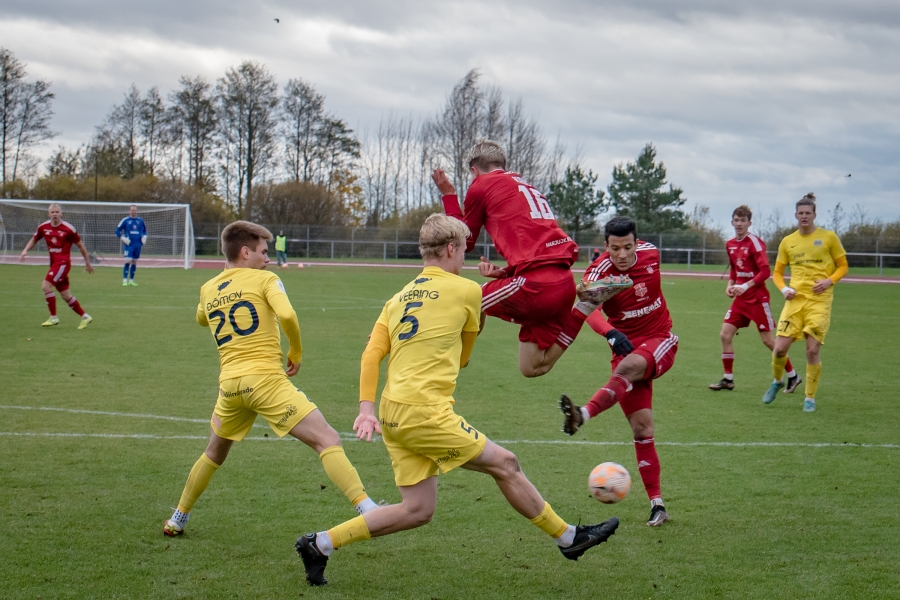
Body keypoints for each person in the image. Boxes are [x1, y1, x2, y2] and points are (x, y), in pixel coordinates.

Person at [294, 214, 619, 586]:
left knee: (417, 510)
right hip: (423, 411)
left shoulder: (396, 299)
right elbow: (464, 359)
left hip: (391, 411)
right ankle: (568, 538)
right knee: (506, 464)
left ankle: (319, 544)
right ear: (451, 249)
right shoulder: (467, 291)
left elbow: (370, 355)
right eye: (464, 249)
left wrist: (366, 410)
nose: (465, 258)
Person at [162, 220, 378, 537]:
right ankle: (368, 508)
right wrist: (297, 352)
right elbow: (288, 315)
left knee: (213, 453)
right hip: (265, 381)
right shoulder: (265, 279)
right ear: (245, 252)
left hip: (230, 388)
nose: (268, 258)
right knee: (328, 439)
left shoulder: (208, 288)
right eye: (263, 251)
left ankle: (178, 518)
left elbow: (200, 317)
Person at [431, 140, 629, 378]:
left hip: (538, 285)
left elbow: (464, 239)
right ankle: (583, 308)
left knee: (474, 296)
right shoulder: (524, 185)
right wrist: (508, 272)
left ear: (474, 170)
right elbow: (536, 243)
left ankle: (455, 359)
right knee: (533, 366)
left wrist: (449, 195)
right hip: (562, 283)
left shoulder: (481, 185)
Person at [558, 216, 677, 527]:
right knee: (642, 428)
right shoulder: (598, 272)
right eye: (615, 248)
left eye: (628, 247)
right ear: (605, 246)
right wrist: (610, 333)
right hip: (623, 346)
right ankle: (657, 505)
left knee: (627, 368)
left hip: (660, 340)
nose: (622, 255)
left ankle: (582, 415)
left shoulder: (651, 254)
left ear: (637, 243)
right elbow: (588, 309)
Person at [762, 193, 848, 412]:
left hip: (819, 301)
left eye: (808, 213)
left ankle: (809, 397)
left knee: (811, 351)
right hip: (795, 301)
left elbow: (843, 266)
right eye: (800, 213)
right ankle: (778, 380)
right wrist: (784, 289)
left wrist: (829, 281)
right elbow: (777, 273)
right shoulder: (788, 241)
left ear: (814, 215)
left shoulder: (828, 238)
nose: (804, 217)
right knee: (779, 349)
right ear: (796, 215)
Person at [709, 205, 800, 393]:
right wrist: (730, 285)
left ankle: (793, 376)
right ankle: (728, 379)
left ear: (749, 223)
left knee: (768, 341)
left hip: (758, 299)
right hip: (740, 300)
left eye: (743, 221)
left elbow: (766, 271)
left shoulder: (755, 243)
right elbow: (734, 268)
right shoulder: (730, 244)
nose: (739, 224)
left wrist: (745, 286)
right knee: (725, 335)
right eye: (737, 220)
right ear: (732, 222)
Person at [18, 203, 94, 329]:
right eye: (52, 212)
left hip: (63, 263)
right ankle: (85, 316)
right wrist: (25, 250)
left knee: (46, 286)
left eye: (57, 212)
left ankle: (53, 317)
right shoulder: (43, 227)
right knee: (65, 295)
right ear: (48, 214)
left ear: (61, 213)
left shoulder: (68, 228)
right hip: (54, 264)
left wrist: (87, 263)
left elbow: (80, 245)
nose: (55, 214)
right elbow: (34, 239)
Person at [115, 204, 147, 286]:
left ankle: (132, 280)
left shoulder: (140, 221)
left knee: (134, 262)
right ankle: (125, 280)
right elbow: (117, 230)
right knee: (127, 261)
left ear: (136, 211)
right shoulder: (125, 220)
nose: (134, 212)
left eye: (135, 210)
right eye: (132, 210)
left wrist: (144, 236)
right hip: (129, 244)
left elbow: (144, 231)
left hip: (138, 244)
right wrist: (122, 238)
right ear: (129, 211)